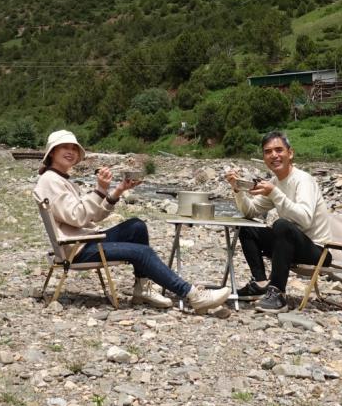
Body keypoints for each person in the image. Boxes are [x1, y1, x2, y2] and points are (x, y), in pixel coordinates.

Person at [34, 130, 230, 313]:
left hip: (83, 240)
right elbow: (78, 217)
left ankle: (142, 289)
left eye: (73, 148)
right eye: (64, 147)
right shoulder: (51, 181)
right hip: (76, 249)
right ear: (52, 152)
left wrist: (118, 190)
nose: (71, 152)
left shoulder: (60, 179)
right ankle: (193, 295)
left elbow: (92, 216)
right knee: (142, 253)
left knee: (136, 226)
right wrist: (100, 189)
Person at [225, 131, 331, 313]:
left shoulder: (303, 180)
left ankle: (278, 293)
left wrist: (274, 192)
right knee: (246, 227)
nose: (274, 155)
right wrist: (238, 189)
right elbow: (250, 211)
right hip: (288, 244)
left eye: (278, 150)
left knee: (281, 225)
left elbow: (304, 219)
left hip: (316, 249)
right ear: (264, 158)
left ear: (290, 153)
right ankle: (260, 283)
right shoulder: (275, 182)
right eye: (268, 152)